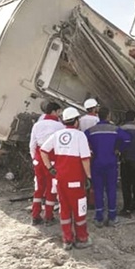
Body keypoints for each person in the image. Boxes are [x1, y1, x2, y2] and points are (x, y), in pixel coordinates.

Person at [40, 107, 93, 250]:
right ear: (76, 121)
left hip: (60, 180)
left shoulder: (57, 135)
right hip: (76, 181)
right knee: (79, 210)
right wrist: (89, 177)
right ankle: (82, 238)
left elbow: (43, 150)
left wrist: (50, 168)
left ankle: (67, 240)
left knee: (64, 210)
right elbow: (85, 159)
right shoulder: (80, 136)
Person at [85, 107, 131, 227]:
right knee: (111, 190)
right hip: (111, 163)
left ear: (98, 115)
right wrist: (118, 150)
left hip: (96, 163)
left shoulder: (91, 130)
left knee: (98, 190)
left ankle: (99, 218)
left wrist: (90, 151)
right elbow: (127, 139)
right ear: (108, 116)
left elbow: (83, 141)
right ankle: (112, 217)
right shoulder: (115, 129)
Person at [29, 102, 65, 226]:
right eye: (59, 111)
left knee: (39, 188)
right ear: (54, 111)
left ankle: (35, 215)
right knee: (51, 188)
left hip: (39, 159)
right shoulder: (60, 126)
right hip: (52, 160)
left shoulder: (37, 125)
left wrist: (35, 159)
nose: (60, 114)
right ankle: (48, 216)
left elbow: (32, 145)